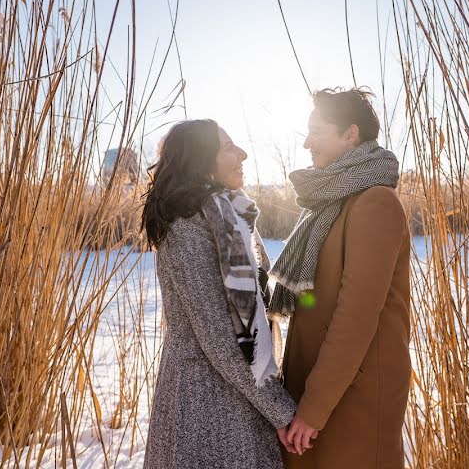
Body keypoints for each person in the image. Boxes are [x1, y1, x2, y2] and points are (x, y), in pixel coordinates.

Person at [142, 119, 297, 469]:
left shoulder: (232, 217)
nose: (241, 153)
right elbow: (218, 336)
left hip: (239, 397)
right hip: (204, 402)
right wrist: (280, 409)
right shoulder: (187, 227)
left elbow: (262, 297)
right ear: (201, 160)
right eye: (228, 147)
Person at [270, 88, 411, 468]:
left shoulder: (375, 203)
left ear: (350, 134)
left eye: (317, 130)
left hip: (353, 397)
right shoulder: (329, 204)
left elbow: (356, 318)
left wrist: (313, 410)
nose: (306, 142)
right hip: (319, 393)